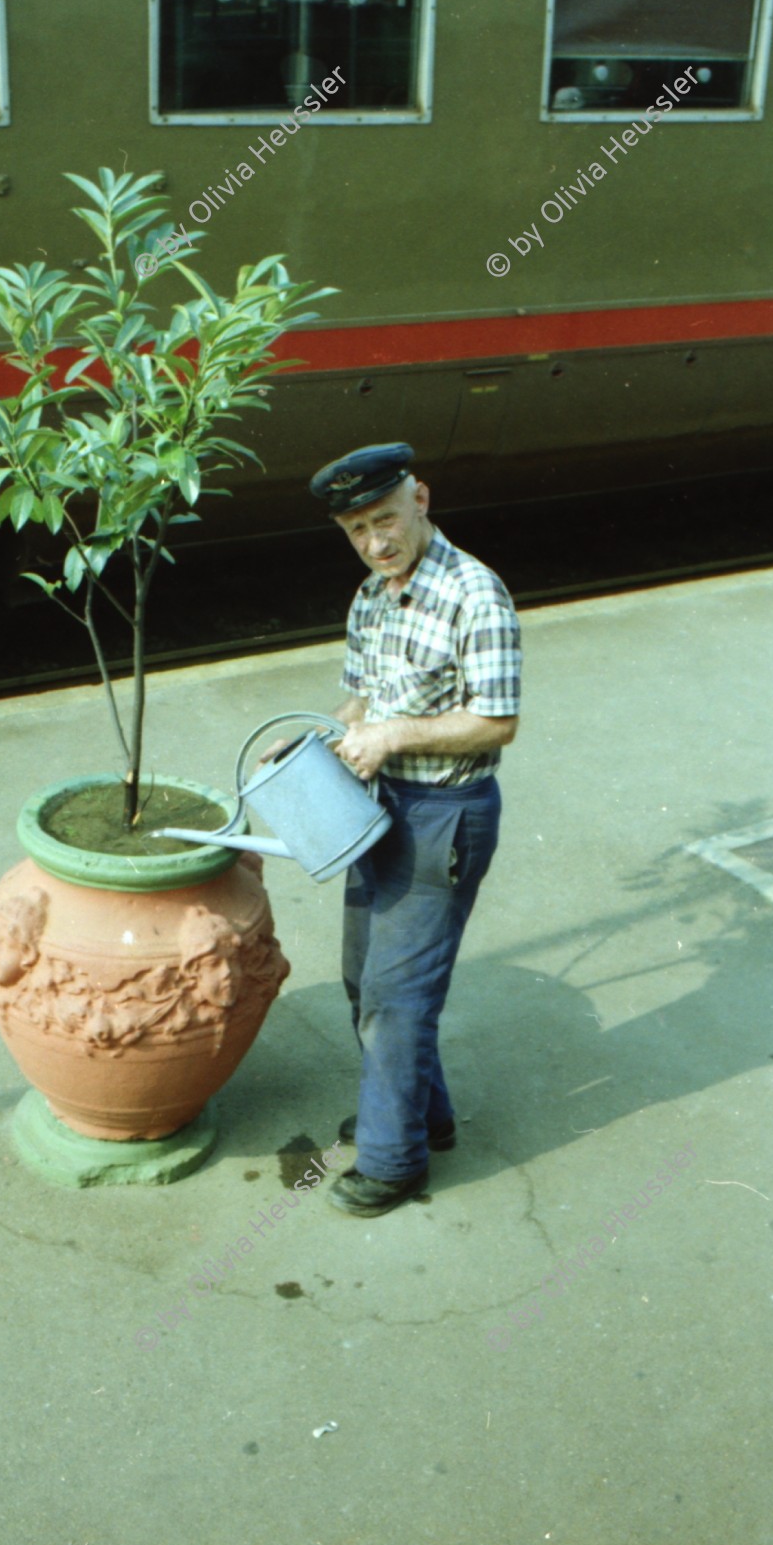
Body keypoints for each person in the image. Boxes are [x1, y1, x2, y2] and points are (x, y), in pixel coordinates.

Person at [308, 442, 522, 1217]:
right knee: (365, 979)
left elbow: (497, 723)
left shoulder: (475, 593)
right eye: (358, 530)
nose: (376, 542)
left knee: (397, 998)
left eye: (385, 520)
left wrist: (392, 737)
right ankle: (412, 1115)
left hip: (445, 816)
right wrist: (311, 738)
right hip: (378, 811)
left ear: (420, 499)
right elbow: (361, 702)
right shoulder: (370, 596)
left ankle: (393, 1162)